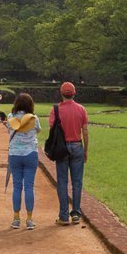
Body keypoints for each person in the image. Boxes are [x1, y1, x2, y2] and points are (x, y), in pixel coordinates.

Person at [49, 82, 88, 225]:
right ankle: (76, 213)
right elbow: (85, 131)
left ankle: (64, 216)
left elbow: (52, 129)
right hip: (77, 145)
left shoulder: (56, 110)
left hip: (62, 148)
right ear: (74, 93)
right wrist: (85, 150)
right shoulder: (81, 109)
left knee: (62, 182)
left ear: (61, 93)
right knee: (77, 182)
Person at [3, 93, 41, 230]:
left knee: (17, 187)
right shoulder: (34, 118)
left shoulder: (10, 117)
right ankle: (29, 219)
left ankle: (16, 218)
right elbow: (38, 131)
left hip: (15, 154)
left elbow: (9, 130)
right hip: (30, 153)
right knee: (29, 186)